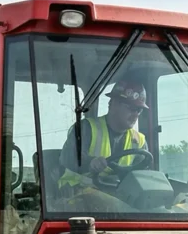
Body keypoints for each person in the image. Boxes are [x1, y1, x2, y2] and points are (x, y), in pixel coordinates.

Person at [56, 77, 150, 212]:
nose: (135, 114)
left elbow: (143, 177)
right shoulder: (87, 128)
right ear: (112, 104)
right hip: (77, 194)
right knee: (120, 209)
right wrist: (91, 163)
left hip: (115, 195)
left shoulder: (139, 141)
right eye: (131, 108)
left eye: (139, 110)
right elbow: (67, 158)